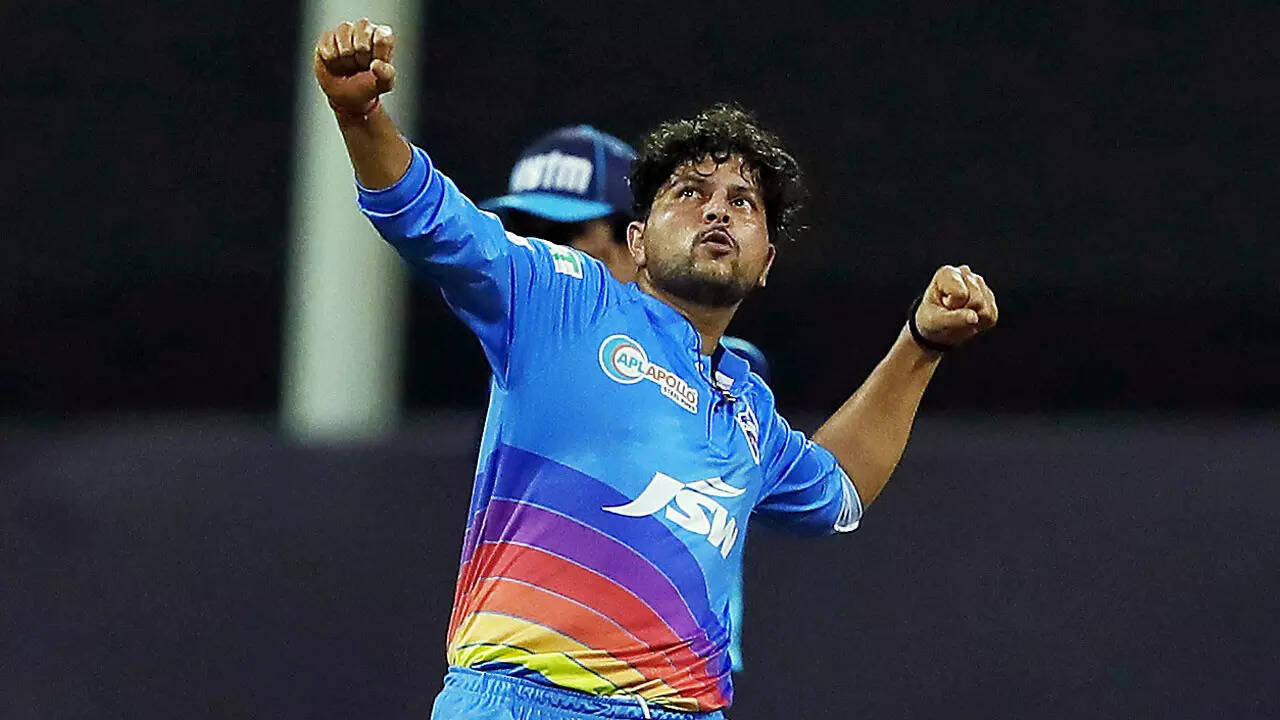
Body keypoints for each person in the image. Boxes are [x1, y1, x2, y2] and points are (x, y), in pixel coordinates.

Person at [314, 18, 998, 720]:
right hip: (528, 700)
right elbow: (429, 219)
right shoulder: (565, 299)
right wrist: (360, 116)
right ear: (637, 242)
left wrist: (920, 345)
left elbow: (840, 489)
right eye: (689, 192)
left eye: (742, 202)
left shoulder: (748, 408)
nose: (717, 210)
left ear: (766, 262)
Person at [481, 126, 766, 675]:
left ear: (638, 242)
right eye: (523, 229)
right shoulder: (526, 360)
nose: (536, 251)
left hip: (669, 686)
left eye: (564, 232)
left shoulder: (734, 381)